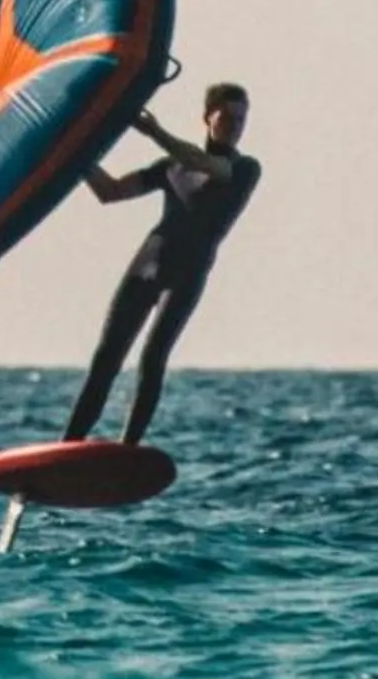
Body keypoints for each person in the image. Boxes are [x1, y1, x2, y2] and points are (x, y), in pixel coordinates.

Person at [63, 84, 259, 447]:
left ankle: (128, 449)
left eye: (240, 120)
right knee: (107, 357)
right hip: (145, 266)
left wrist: (154, 132)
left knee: (153, 358)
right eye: (226, 117)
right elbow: (110, 192)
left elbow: (204, 163)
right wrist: (75, 154)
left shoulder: (244, 169)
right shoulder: (170, 167)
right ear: (207, 117)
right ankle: (68, 446)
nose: (234, 126)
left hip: (186, 276)